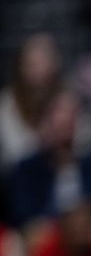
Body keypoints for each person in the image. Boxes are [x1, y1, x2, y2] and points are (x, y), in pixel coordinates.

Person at [7, 88, 91, 233]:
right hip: (50, 233)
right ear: (44, 123)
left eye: (70, 119)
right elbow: (23, 214)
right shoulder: (28, 168)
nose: (64, 123)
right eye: (56, 119)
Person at [0, 33, 63, 169]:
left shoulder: (67, 98)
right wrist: (43, 141)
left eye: (42, 62)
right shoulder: (8, 102)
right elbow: (14, 153)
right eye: (31, 64)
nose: (36, 70)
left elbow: (83, 145)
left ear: (54, 64)